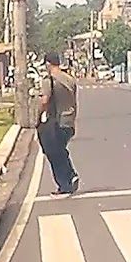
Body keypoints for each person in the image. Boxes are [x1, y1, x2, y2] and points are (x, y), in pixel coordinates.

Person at [38, 51, 80, 196]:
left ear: (48, 64)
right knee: (60, 150)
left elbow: (45, 100)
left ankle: (65, 183)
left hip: (56, 122)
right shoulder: (69, 79)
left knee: (53, 153)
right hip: (70, 121)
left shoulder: (49, 80)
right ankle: (70, 177)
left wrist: (39, 114)